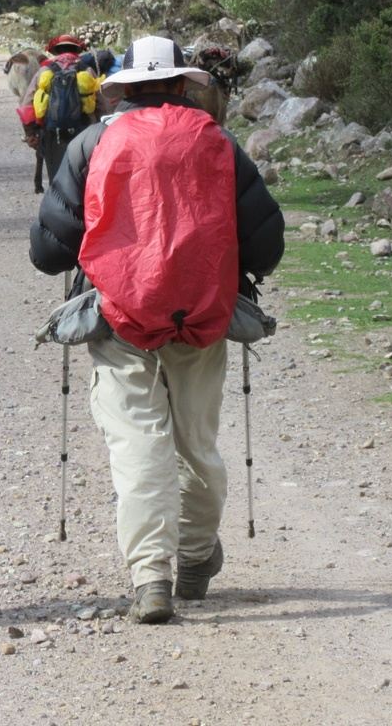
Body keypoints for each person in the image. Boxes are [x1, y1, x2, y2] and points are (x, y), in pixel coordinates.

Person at [29, 36, 283, 625]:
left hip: (118, 315)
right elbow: (266, 243)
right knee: (195, 440)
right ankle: (195, 557)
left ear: (124, 87)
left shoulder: (93, 143)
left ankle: (151, 578)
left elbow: (48, 251)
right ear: (180, 84)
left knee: (137, 441)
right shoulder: (217, 141)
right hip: (203, 314)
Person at [31, 34, 100, 178]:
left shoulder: (45, 71)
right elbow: (101, 101)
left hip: (52, 131)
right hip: (84, 130)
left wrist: (31, 132)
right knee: (82, 175)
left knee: (55, 174)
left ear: (55, 51)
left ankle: (57, 198)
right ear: (77, 50)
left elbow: (27, 103)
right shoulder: (86, 70)